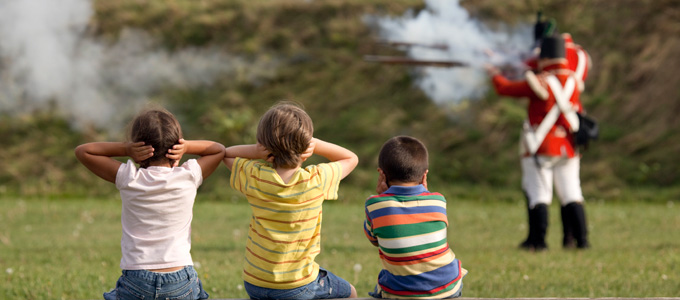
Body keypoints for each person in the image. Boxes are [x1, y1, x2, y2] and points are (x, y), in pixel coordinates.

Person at [74, 108, 225, 300]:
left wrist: (126, 149)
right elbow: (218, 149)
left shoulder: (130, 178)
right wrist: (186, 147)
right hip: (180, 278)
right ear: (176, 145)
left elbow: (83, 151)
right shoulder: (188, 176)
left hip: (137, 279)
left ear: (138, 146)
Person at [222, 102, 359, 300]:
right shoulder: (316, 180)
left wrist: (256, 151)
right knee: (350, 293)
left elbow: (226, 154)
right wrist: (317, 144)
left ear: (264, 145)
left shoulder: (256, 177)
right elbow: (351, 158)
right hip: (298, 285)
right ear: (306, 144)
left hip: (255, 282)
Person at [486, 36, 590, 251]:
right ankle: (582, 241)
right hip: (569, 146)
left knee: (539, 193)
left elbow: (505, 88)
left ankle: (538, 241)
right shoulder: (573, 80)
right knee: (572, 193)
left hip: (542, 145)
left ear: (545, 57)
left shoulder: (540, 81)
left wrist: (494, 74)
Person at [363, 136, 467, 299]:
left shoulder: (374, 205)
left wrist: (381, 197)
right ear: (424, 176)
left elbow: (374, 240)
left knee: (381, 285)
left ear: (381, 174)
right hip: (447, 289)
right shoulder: (438, 201)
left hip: (399, 293)